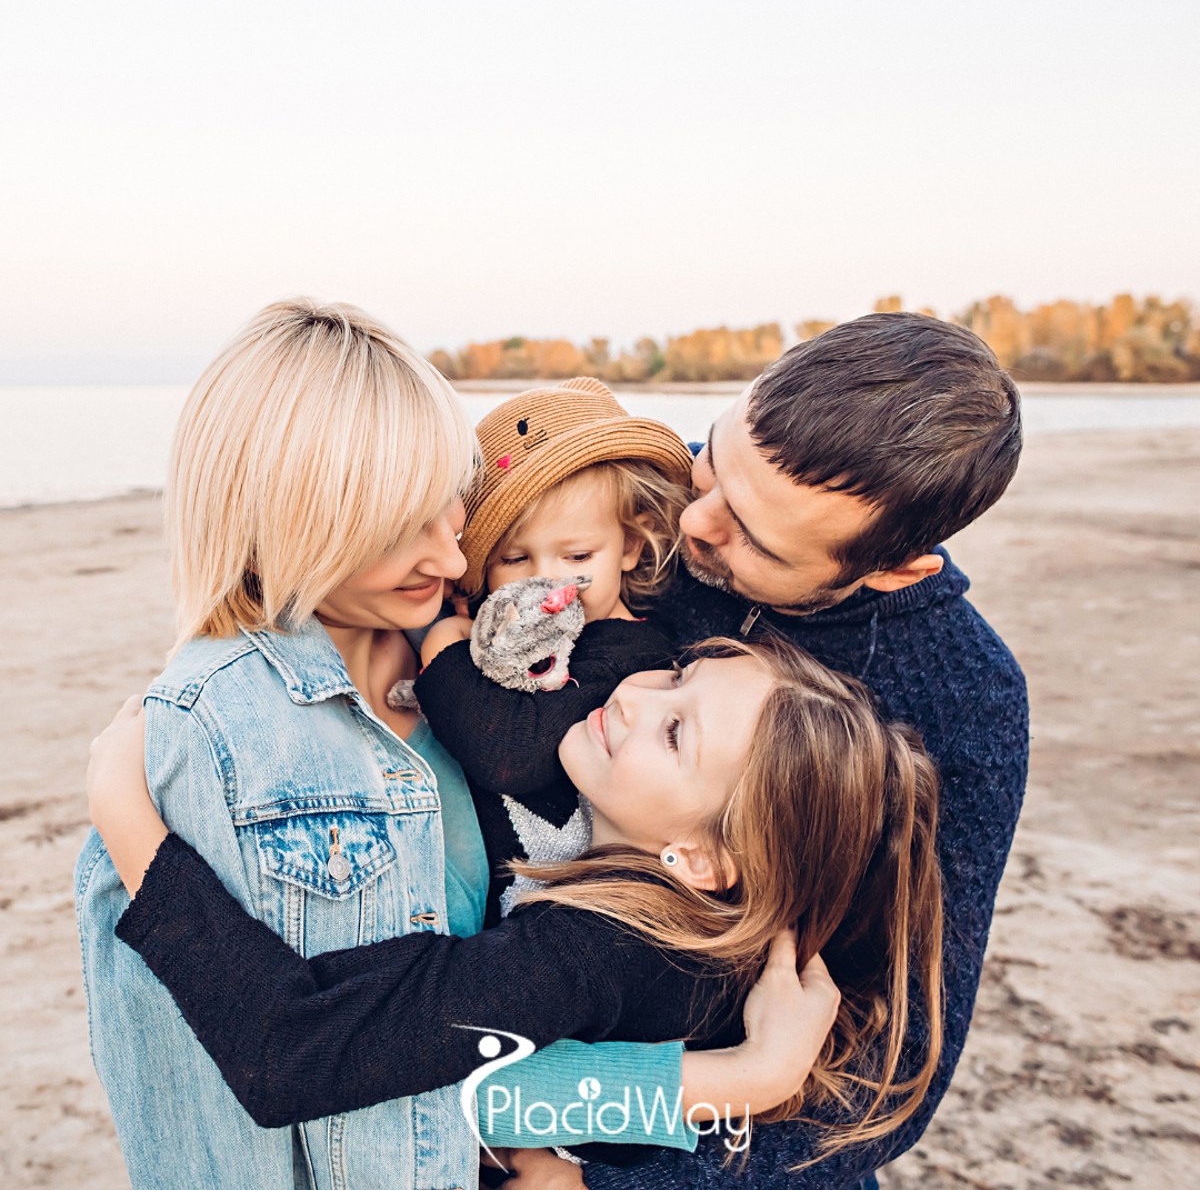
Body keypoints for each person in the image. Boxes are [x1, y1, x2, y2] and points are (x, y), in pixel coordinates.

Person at [72, 300, 804, 1190]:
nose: (456, 561)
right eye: (398, 529)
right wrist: (731, 1082)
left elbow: (473, 1049)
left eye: (448, 507)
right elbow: (271, 1080)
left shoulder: (506, 672)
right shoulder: (210, 737)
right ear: (286, 528)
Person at [88, 636, 943, 1172]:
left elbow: (297, 1054)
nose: (634, 696)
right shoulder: (687, 906)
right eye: (678, 675)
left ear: (701, 857)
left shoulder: (599, 950)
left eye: (676, 732)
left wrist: (128, 822)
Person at [589, 312, 1027, 1189]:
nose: (694, 520)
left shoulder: (965, 701)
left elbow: (895, 1069)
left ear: (895, 569)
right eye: (715, 459)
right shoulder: (635, 490)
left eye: (755, 539)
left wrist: (612, 1182)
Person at [415, 376, 693, 922]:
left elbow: (509, 754)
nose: (546, 583)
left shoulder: (634, 659)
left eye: (578, 557)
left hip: (561, 923)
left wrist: (442, 647)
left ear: (630, 547)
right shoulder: (496, 635)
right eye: (515, 560)